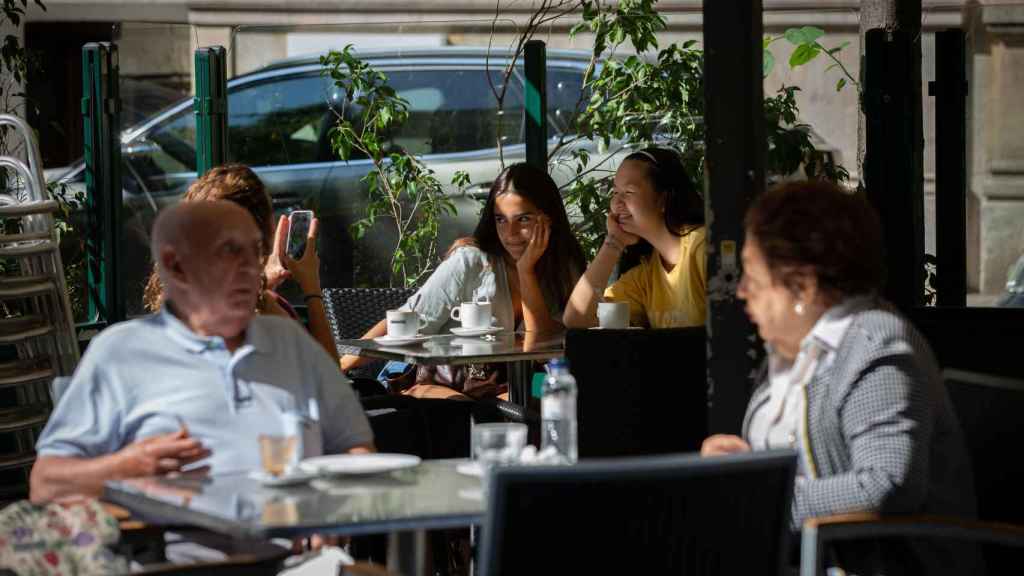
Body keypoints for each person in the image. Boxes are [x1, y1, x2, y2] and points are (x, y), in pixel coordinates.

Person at [30, 201, 374, 503]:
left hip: (299, 556)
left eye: (255, 251)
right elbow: (46, 483)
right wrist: (127, 466)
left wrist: (329, 505)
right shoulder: (122, 351)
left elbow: (359, 450)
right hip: (179, 557)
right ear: (176, 266)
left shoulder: (289, 340)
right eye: (229, 251)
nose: (250, 267)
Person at [700, 181, 974, 544]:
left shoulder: (874, 345)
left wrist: (758, 499)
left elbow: (885, 487)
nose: (741, 291)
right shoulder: (791, 351)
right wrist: (748, 466)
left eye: (753, 275)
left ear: (803, 287)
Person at [340, 163, 586, 399]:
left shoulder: (564, 267)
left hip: (510, 389)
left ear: (548, 219)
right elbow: (407, 322)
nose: (509, 234)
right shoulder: (472, 261)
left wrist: (526, 271)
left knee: (561, 401)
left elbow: (541, 350)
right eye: (501, 219)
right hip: (445, 384)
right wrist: (338, 367)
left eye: (523, 219)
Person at [142, 164, 338, 361]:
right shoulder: (265, 314)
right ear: (264, 230)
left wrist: (263, 280)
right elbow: (329, 377)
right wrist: (312, 287)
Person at [563, 147, 707, 329]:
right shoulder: (646, 274)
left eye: (628, 193)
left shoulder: (703, 247)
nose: (616, 203)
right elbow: (577, 319)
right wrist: (613, 243)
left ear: (663, 199)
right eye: (615, 193)